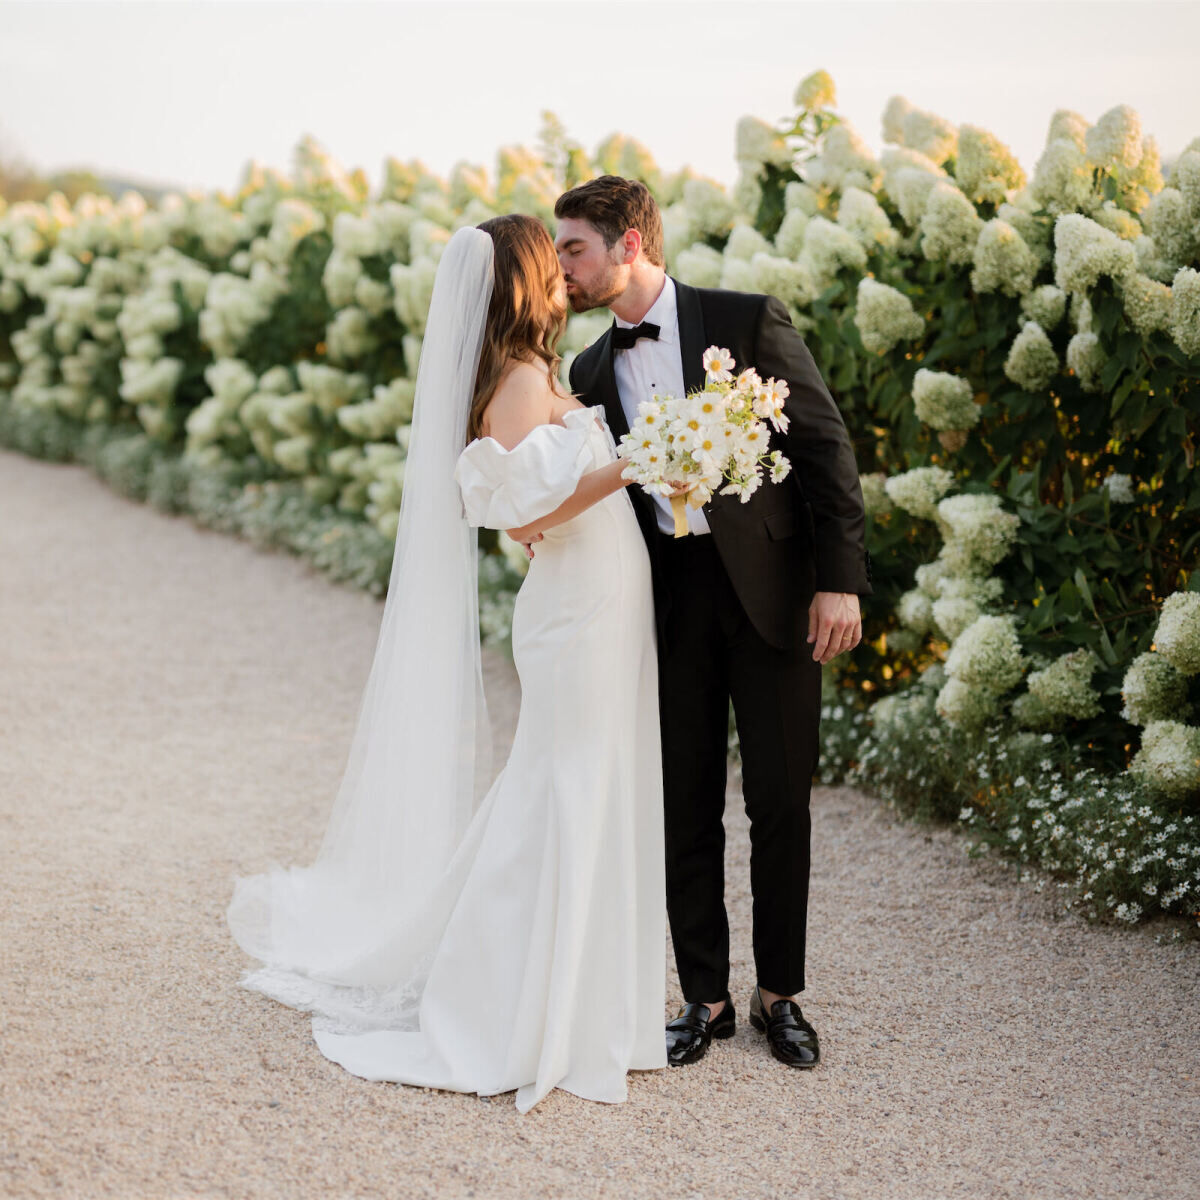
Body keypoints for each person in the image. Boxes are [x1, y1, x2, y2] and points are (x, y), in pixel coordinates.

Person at [226, 215, 668, 1113]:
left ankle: (588, 1000)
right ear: (527, 278)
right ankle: (510, 1006)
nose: (564, 276)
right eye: (554, 261)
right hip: (575, 607)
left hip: (608, 598)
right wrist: (629, 467)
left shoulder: (543, 370)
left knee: (595, 776)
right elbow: (519, 512)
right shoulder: (512, 378)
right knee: (561, 781)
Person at [549, 175, 873, 1069]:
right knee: (683, 804)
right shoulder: (586, 371)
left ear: (629, 243)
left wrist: (837, 583)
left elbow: (824, 449)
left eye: (574, 246)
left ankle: (782, 996)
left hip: (771, 593)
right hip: (663, 605)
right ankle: (707, 998)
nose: (563, 265)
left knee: (780, 804)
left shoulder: (745, 321)